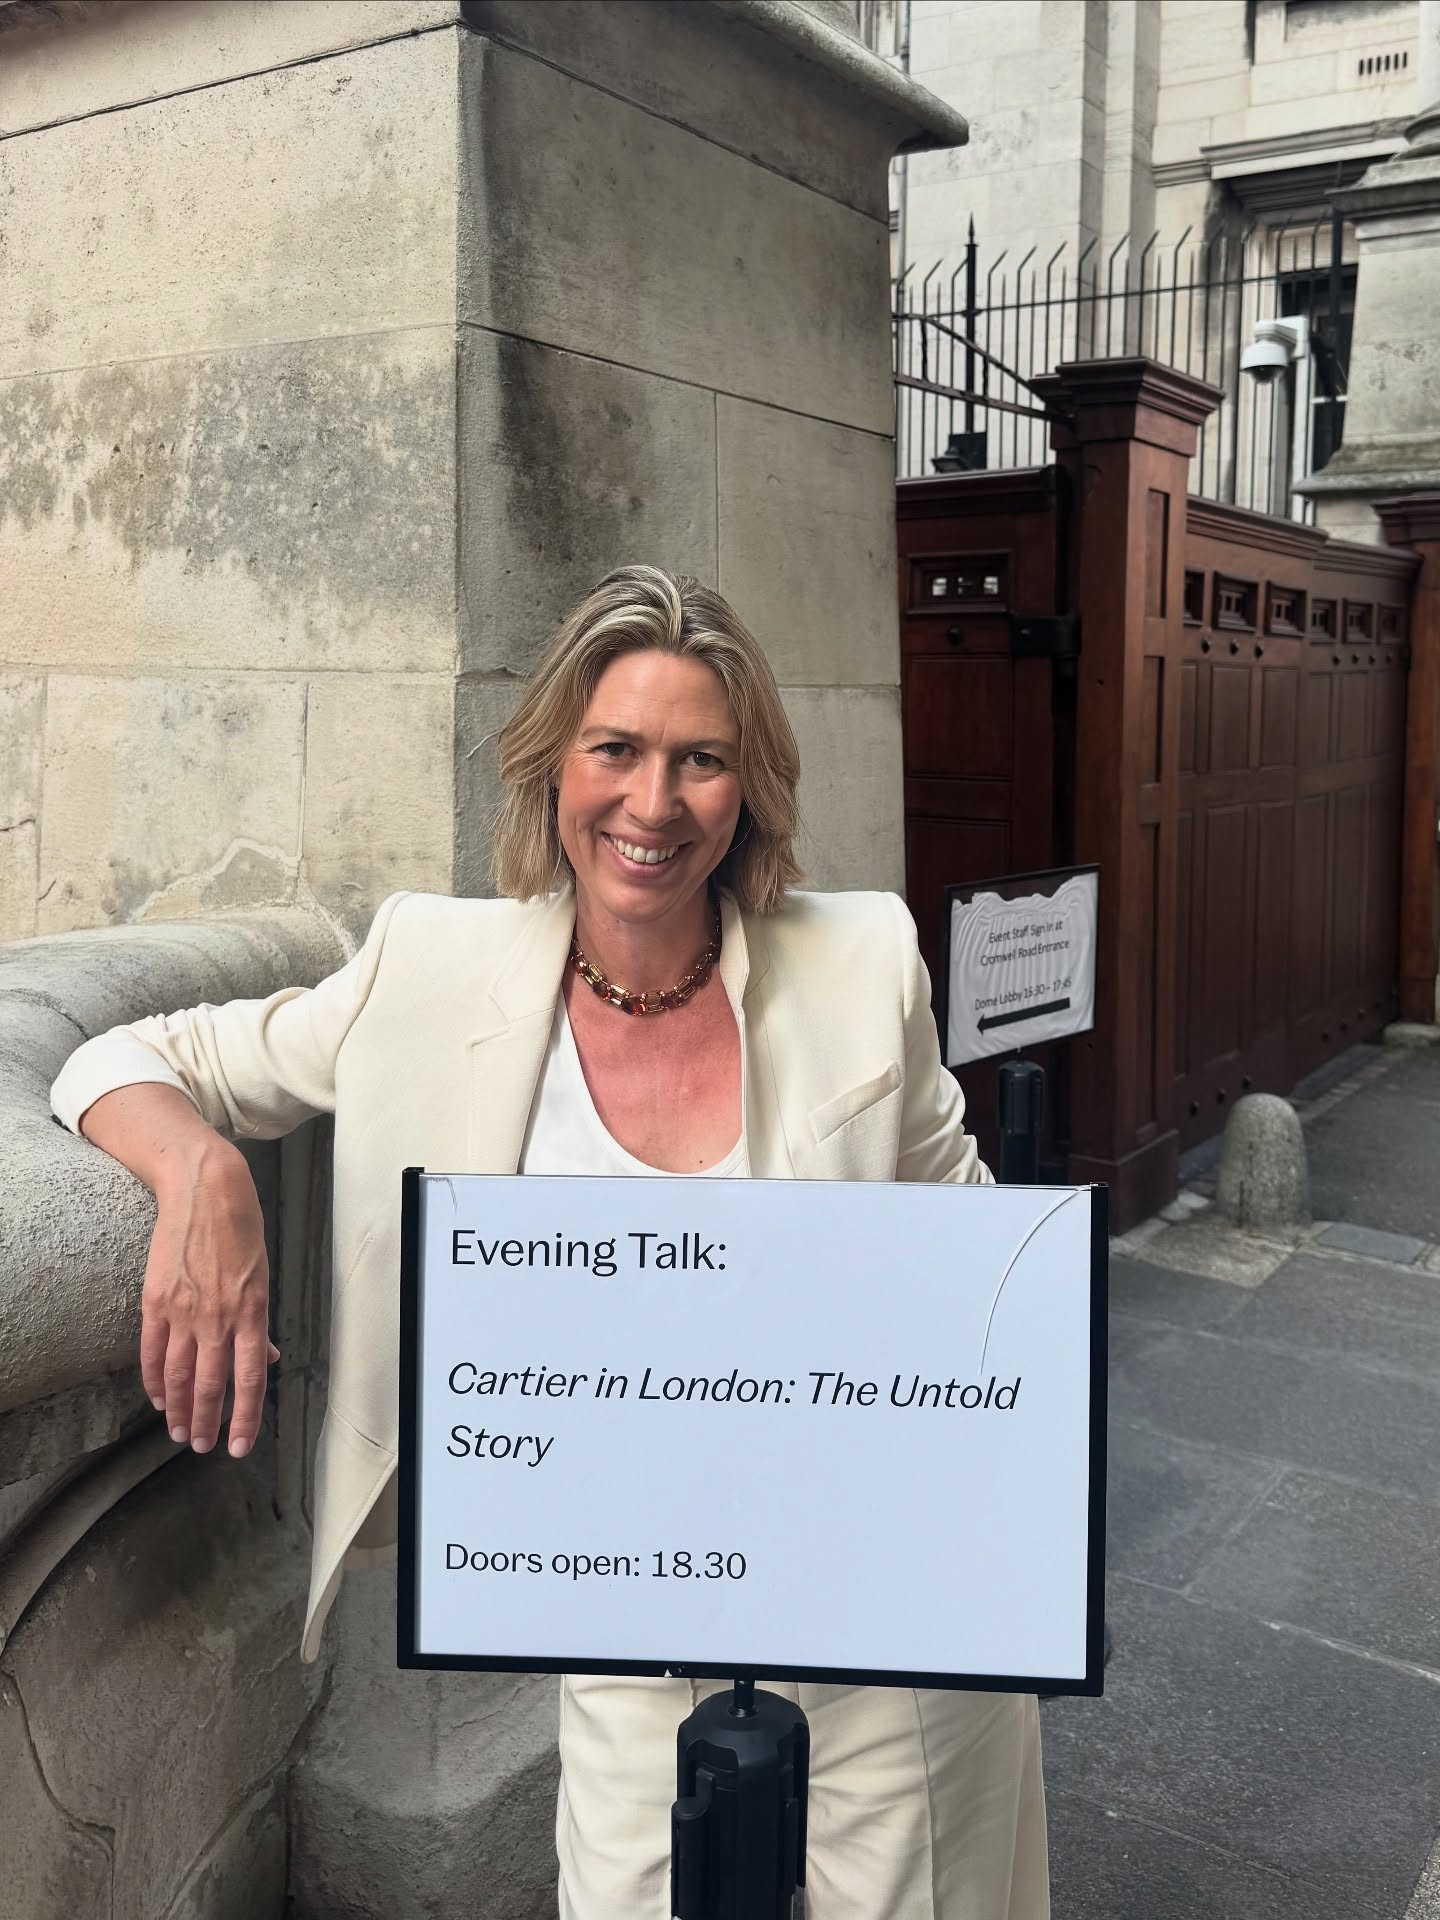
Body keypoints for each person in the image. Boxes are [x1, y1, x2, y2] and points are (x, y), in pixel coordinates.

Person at [50, 565, 1049, 1918]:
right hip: (627, 1624)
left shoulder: (861, 963)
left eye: (700, 760)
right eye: (616, 751)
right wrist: (203, 1171)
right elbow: (126, 1052)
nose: (653, 803)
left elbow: (978, 1251)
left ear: (746, 788)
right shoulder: (430, 972)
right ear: (551, 768)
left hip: (884, 1621)